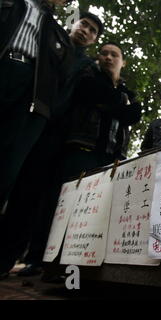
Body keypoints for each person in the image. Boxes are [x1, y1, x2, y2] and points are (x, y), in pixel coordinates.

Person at [1, 11, 104, 278]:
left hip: (53, 136)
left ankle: (10, 258)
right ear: (74, 24)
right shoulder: (48, 38)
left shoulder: (89, 68)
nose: (86, 31)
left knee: (31, 196)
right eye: (84, 24)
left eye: (92, 30)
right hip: (23, 117)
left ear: (94, 40)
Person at [0, 0, 75, 280]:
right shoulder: (10, 4)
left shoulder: (57, 33)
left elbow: (62, 79)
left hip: (31, 100)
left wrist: (45, 109)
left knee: (7, 172)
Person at [62, 42, 141, 179]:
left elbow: (134, 114)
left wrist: (106, 103)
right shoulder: (87, 77)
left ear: (123, 63)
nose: (108, 58)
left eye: (114, 55)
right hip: (82, 150)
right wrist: (121, 103)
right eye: (104, 54)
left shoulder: (129, 93)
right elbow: (90, 91)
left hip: (115, 160)